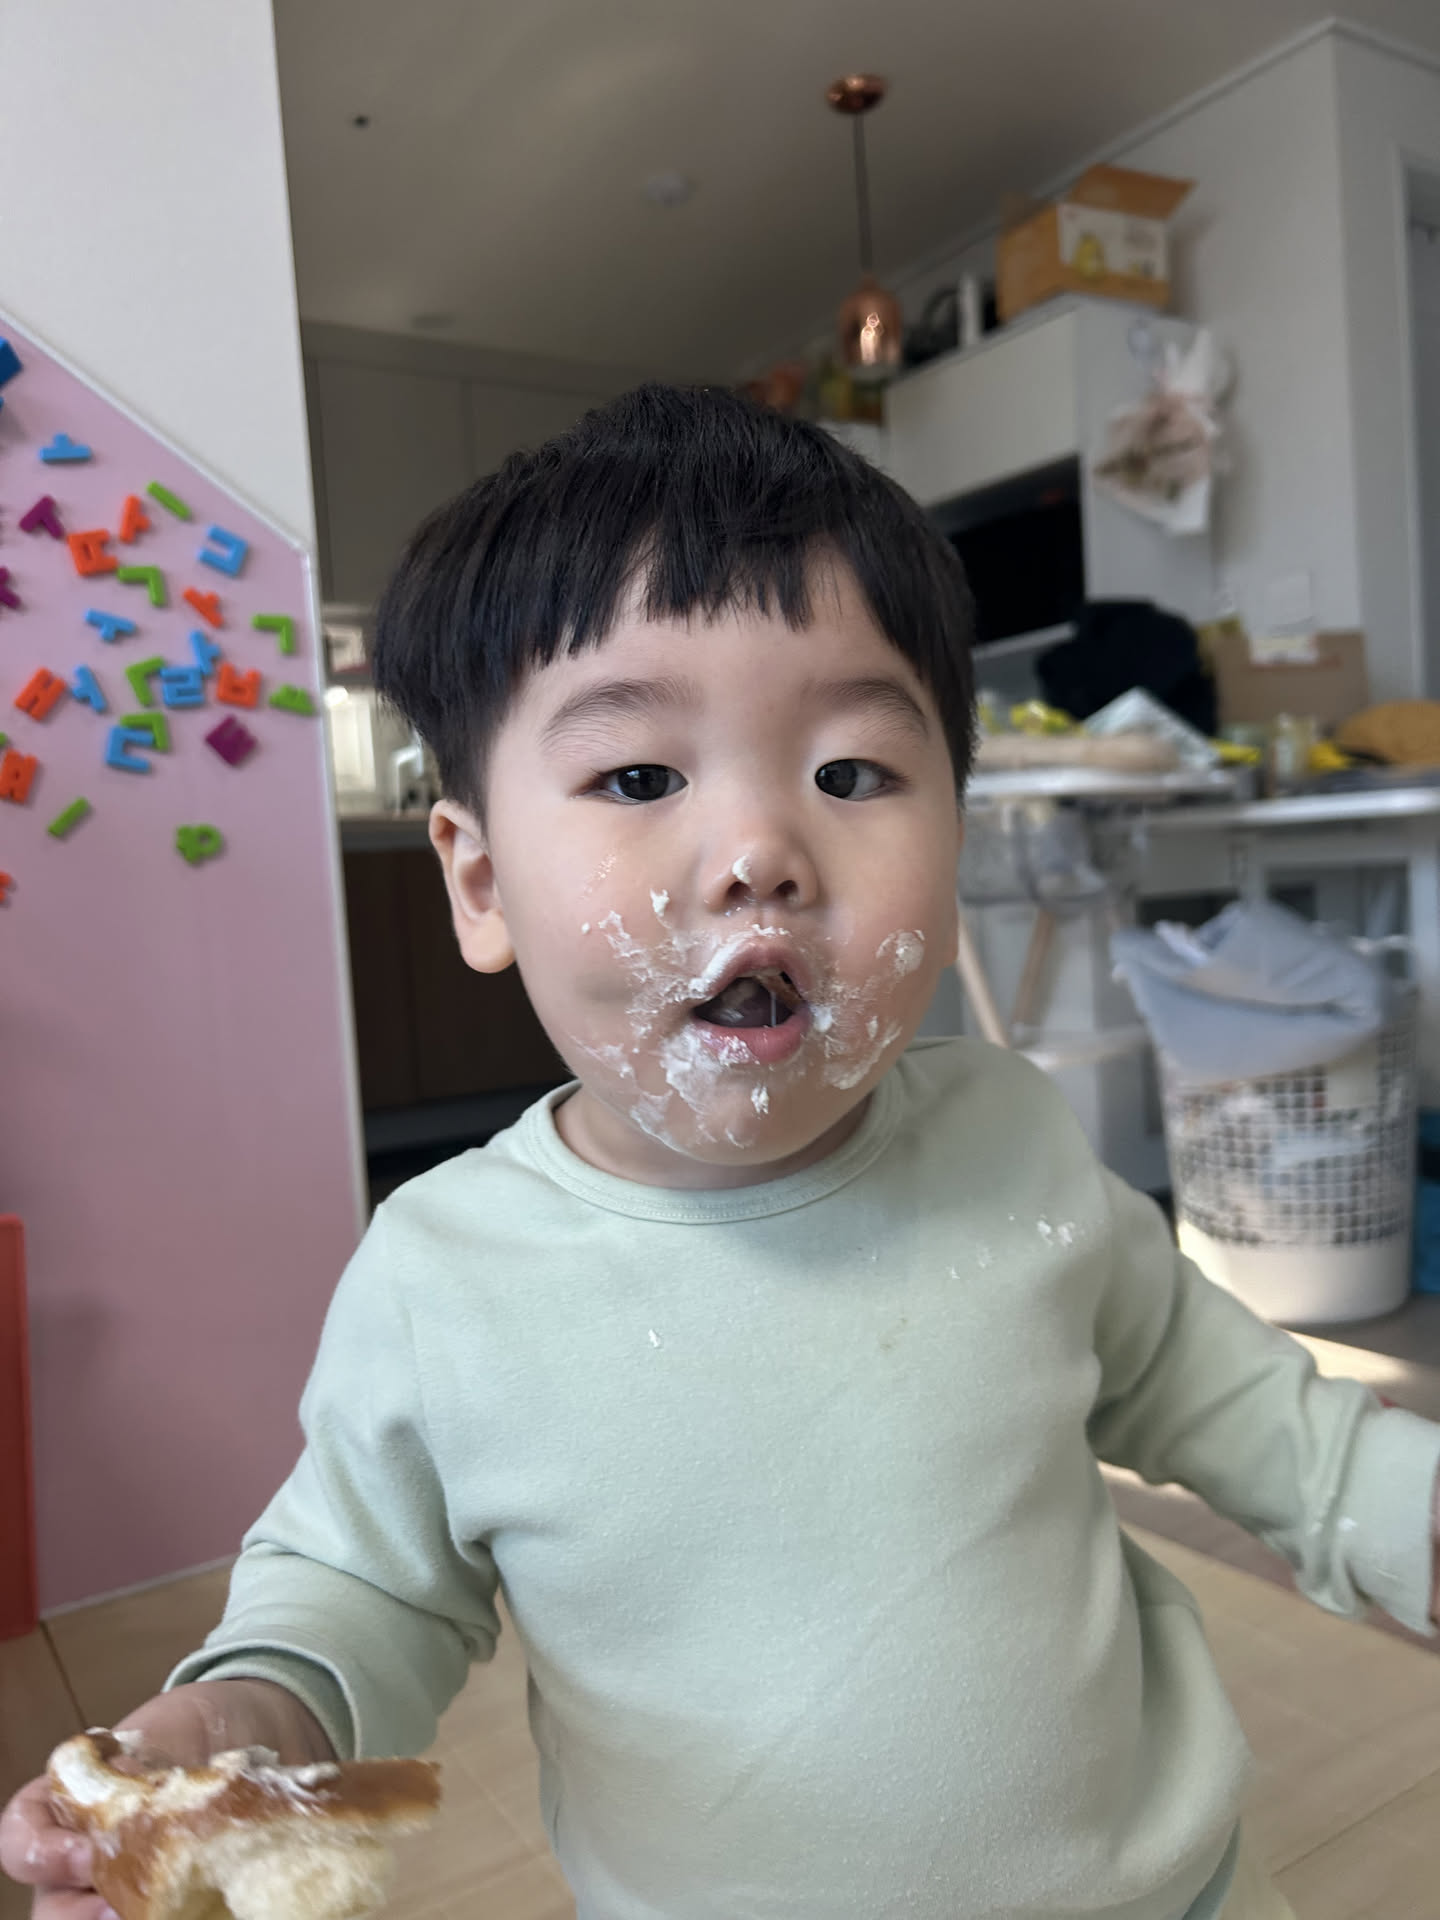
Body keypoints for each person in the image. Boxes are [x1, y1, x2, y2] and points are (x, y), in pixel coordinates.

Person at [4, 386, 1438, 1920]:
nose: (762, 850)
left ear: (957, 828)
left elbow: (1267, 1424)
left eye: (852, 774)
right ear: (480, 883)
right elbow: (359, 1588)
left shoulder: (1012, 1145)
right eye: (640, 777)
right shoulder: (445, 1281)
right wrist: (249, 1720)